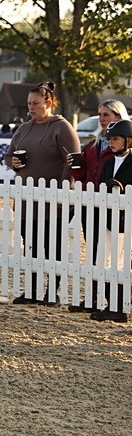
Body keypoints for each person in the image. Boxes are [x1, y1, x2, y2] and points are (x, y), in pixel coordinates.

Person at [5, 81, 80, 304]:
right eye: (29, 103)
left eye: (36, 103)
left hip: (53, 202)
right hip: (27, 201)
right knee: (31, 248)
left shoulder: (62, 127)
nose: (31, 107)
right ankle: (32, 290)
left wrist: (62, 193)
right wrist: (15, 163)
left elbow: (73, 162)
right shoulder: (24, 128)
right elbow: (8, 157)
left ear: (48, 103)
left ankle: (51, 293)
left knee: (52, 248)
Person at [89, 119, 132, 322]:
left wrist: (122, 190)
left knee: (123, 264)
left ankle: (122, 307)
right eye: (110, 139)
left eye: (115, 139)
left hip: (127, 222)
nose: (111, 143)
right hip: (107, 219)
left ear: (128, 141)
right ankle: (111, 304)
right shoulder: (107, 163)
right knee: (104, 262)